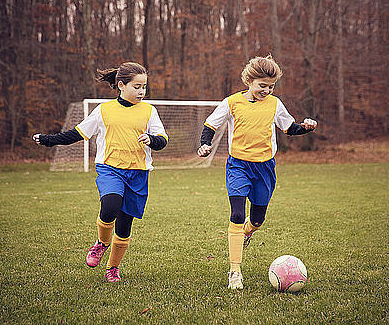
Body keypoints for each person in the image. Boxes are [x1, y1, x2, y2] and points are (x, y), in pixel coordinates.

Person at [33, 62, 168, 282]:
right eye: (137, 87)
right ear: (121, 85)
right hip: (110, 169)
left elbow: (162, 140)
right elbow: (78, 133)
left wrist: (151, 139)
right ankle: (102, 243)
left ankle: (113, 268)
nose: (142, 92)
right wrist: (49, 140)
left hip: (138, 174)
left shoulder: (149, 111)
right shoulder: (104, 110)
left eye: (144, 87)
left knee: (124, 226)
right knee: (110, 205)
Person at [197, 54, 317, 290]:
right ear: (249, 81)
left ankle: (248, 233)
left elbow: (288, 128)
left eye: (271, 86)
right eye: (262, 85)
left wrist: (305, 126)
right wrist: (205, 143)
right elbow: (211, 124)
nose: (267, 90)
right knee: (237, 215)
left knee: (257, 219)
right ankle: (235, 271)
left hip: (264, 168)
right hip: (238, 165)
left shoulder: (274, 104)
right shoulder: (232, 102)